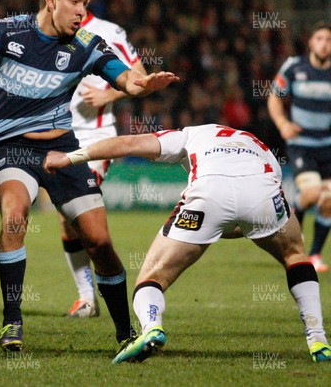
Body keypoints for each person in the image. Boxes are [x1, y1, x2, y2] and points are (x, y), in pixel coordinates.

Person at [0, 0, 179, 355]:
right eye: (75, 2)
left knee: (98, 241)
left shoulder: (86, 44)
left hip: (62, 150)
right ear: (51, 0)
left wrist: (141, 85)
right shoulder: (4, 33)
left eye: (86, 4)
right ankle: (12, 320)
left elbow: (125, 78)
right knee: (15, 216)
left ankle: (125, 333)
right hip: (11, 148)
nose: (81, 12)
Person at [43, 124, 331, 363]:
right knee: (295, 255)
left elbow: (127, 144)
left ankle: (152, 326)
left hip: (207, 195)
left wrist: (68, 158)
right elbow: (253, 204)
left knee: (152, 277)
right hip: (262, 194)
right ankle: (317, 338)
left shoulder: (189, 134)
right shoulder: (258, 145)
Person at [62, 10, 146, 318]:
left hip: (95, 137)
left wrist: (108, 93)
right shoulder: (45, 30)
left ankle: (101, 296)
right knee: (68, 220)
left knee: (82, 214)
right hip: (55, 136)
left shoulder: (108, 30)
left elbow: (140, 76)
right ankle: (87, 297)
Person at [267, 22, 331, 273]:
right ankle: (294, 220)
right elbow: (274, 96)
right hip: (302, 145)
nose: (324, 43)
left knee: (329, 202)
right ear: (311, 42)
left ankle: (314, 254)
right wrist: (283, 123)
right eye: (320, 38)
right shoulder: (295, 66)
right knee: (313, 194)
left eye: (328, 39)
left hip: (328, 146)